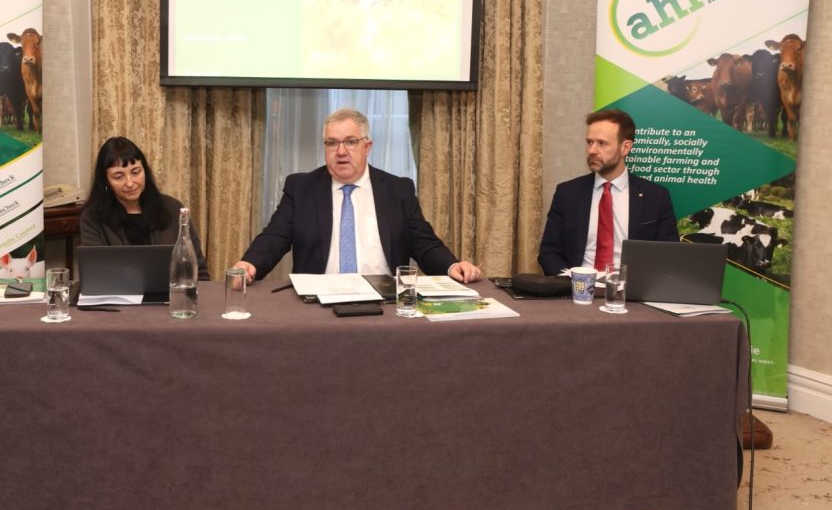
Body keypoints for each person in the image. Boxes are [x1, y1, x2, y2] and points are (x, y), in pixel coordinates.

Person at [233, 108, 481, 283]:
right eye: (332, 143)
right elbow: (275, 237)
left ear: (367, 147)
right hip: (317, 300)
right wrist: (249, 264)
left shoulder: (397, 190)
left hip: (385, 300)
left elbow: (424, 243)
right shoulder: (302, 188)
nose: (341, 151)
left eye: (350, 142)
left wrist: (452, 266)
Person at [538, 108, 678, 276]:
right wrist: (570, 282)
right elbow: (549, 252)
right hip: (576, 290)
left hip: (630, 293)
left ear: (625, 147)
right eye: (589, 142)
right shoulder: (568, 193)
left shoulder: (656, 196)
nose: (592, 151)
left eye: (602, 143)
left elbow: (668, 256)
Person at [81, 136, 209, 280]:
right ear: (106, 181)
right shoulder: (93, 217)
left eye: (136, 172)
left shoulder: (172, 209)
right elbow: (96, 276)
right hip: (119, 300)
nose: (130, 183)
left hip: (173, 298)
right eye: (118, 176)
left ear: (145, 172)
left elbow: (199, 271)